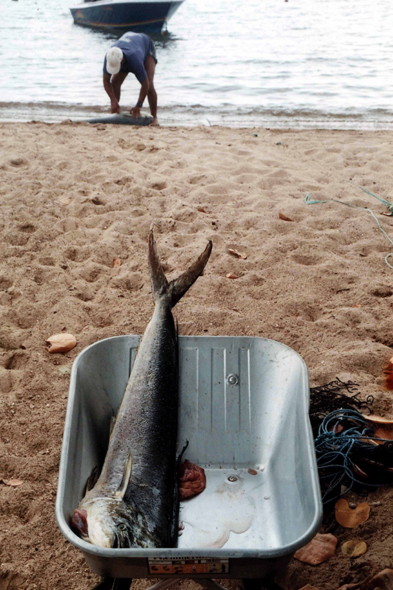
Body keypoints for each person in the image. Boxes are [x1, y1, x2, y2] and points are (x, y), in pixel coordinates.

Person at [103, 32, 159, 125]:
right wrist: (113, 99)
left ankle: (154, 118)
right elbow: (106, 80)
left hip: (146, 46)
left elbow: (145, 85)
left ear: (122, 61)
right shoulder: (110, 56)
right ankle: (115, 112)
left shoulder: (135, 59)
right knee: (115, 82)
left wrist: (139, 105)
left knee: (150, 84)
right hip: (129, 44)